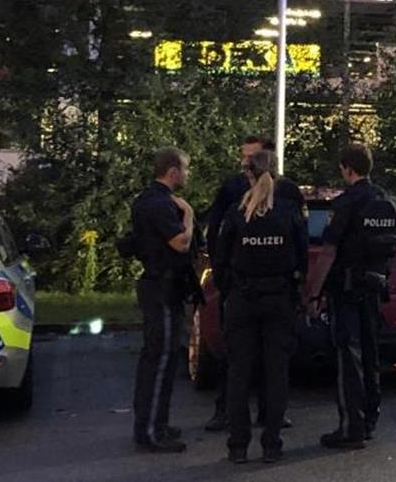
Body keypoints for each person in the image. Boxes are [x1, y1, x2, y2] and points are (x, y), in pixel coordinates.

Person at [203, 135, 305, 432]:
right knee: (235, 355)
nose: (245, 163)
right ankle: (227, 411)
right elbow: (217, 231)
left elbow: (297, 240)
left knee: (269, 357)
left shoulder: (287, 192)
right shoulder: (232, 188)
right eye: (243, 157)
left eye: (250, 158)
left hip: (263, 287)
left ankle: (268, 414)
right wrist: (223, 277)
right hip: (245, 286)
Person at [304, 143, 396, 450]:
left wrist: (314, 292)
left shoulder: (346, 203)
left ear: (347, 168)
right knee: (371, 355)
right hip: (375, 286)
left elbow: (329, 250)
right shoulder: (387, 200)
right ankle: (370, 419)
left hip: (346, 288)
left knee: (349, 356)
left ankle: (351, 427)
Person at [131, 147, 195, 453]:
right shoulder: (160, 204)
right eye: (185, 169)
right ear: (173, 172)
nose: (187, 174)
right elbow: (181, 244)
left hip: (159, 286)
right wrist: (190, 217)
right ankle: (152, 430)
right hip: (162, 287)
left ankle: (155, 422)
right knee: (161, 359)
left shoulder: (147, 199)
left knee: (158, 358)